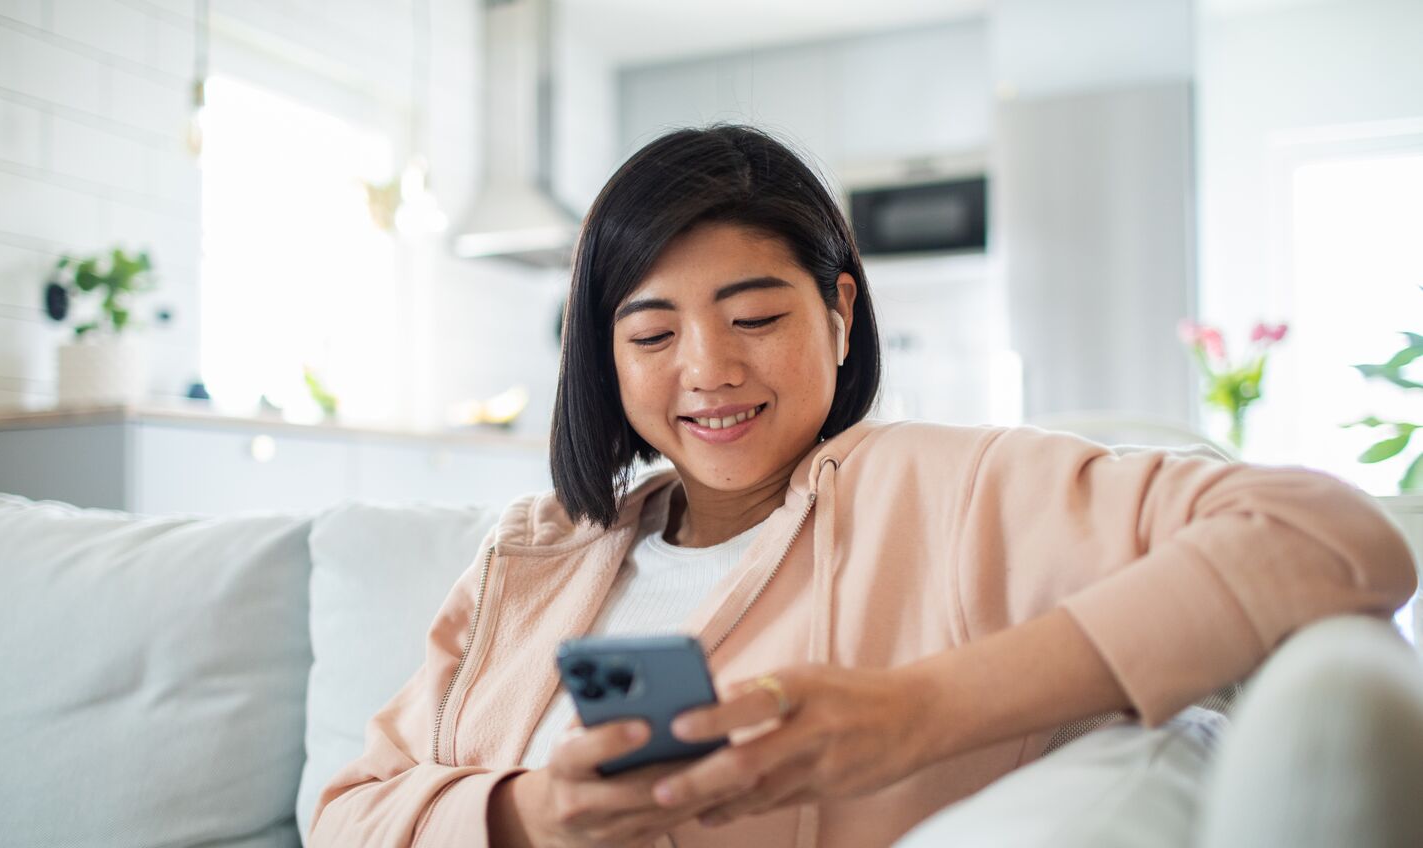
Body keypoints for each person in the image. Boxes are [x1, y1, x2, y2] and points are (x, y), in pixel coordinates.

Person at [308, 125, 1416, 848]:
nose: (707, 369)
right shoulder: (529, 554)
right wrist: (530, 811)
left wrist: (920, 711)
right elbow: (345, 810)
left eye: (754, 318)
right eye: (651, 332)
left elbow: (1330, 533)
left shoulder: (955, 488)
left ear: (839, 313)